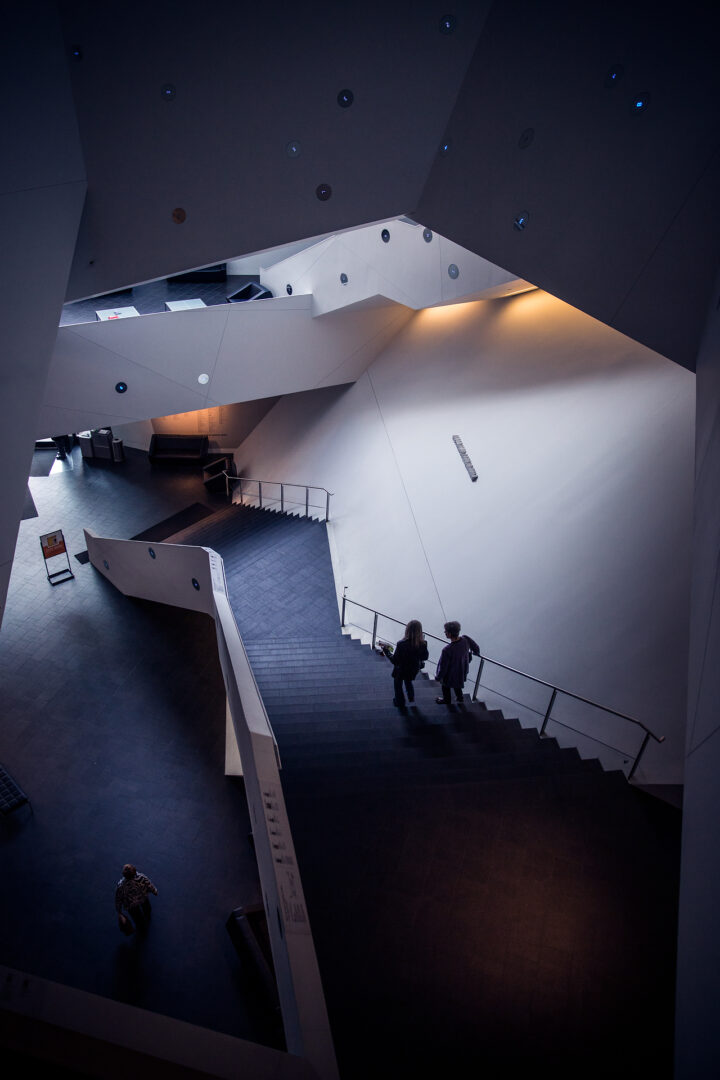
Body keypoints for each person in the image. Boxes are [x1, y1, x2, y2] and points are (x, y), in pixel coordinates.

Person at [379, 620, 429, 707]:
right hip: (413, 669)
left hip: (401, 670)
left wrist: (386, 650)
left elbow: (395, 660)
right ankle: (411, 697)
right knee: (408, 681)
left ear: (407, 630)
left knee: (398, 684)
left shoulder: (401, 644)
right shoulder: (423, 644)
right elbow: (425, 657)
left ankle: (399, 701)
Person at [435, 621, 480, 704]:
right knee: (457, 684)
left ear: (449, 634)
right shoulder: (465, 639)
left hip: (450, 674)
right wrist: (476, 652)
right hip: (461, 670)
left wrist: (438, 677)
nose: (444, 632)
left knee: (445, 686)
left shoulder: (447, 650)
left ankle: (447, 700)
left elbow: (443, 667)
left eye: (446, 631)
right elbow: (475, 647)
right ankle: (460, 698)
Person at [115, 863, 158, 932]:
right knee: (146, 907)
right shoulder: (141, 877)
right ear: (135, 871)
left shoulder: (121, 885)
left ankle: (141, 927)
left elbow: (118, 898)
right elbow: (148, 884)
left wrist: (119, 910)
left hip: (130, 904)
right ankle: (147, 914)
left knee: (137, 917)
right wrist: (154, 891)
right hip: (142, 897)